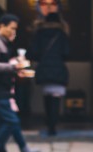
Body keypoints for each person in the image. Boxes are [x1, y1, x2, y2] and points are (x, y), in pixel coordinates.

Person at [0, 14, 39, 152]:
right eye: (12, 28)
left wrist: (15, 70)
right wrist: (14, 67)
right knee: (11, 120)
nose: (14, 31)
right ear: (2, 26)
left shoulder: (3, 41)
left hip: (3, 87)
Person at [28, 8, 69, 136]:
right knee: (56, 100)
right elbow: (66, 53)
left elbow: (34, 53)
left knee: (47, 98)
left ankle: (48, 123)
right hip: (58, 69)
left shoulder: (39, 33)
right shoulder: (62, 34)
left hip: (44, 68)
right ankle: (53, 125)